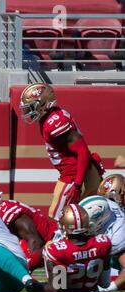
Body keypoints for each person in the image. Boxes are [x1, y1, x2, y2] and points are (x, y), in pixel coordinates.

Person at [19, 83, 105, 220]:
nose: (28, 112)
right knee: (87, 218)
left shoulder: (54, 123)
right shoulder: (53, 115)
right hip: (81, 171)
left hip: (74, 175)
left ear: (42, 103)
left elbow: (82, 152)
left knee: (56, 220)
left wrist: (77, 185)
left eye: (31, 107)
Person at [0, 183, 61, 271]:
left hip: (54, 241)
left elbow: (34, 240)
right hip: (42, 243)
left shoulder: (6, 211)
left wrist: (27, 268)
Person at [42, 204, 112, 292]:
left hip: (67, 291)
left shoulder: (56, 250)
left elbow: (57, 288)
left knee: (46, 253)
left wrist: (35, 287)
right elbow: (105, 284)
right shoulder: (103, 242)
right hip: (92, 289)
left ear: (65, 227)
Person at [79, 195, 125, 292]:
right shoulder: (104, 205)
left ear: (99, 221)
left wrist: (110, 287)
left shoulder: (116, 237)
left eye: (86, 223)